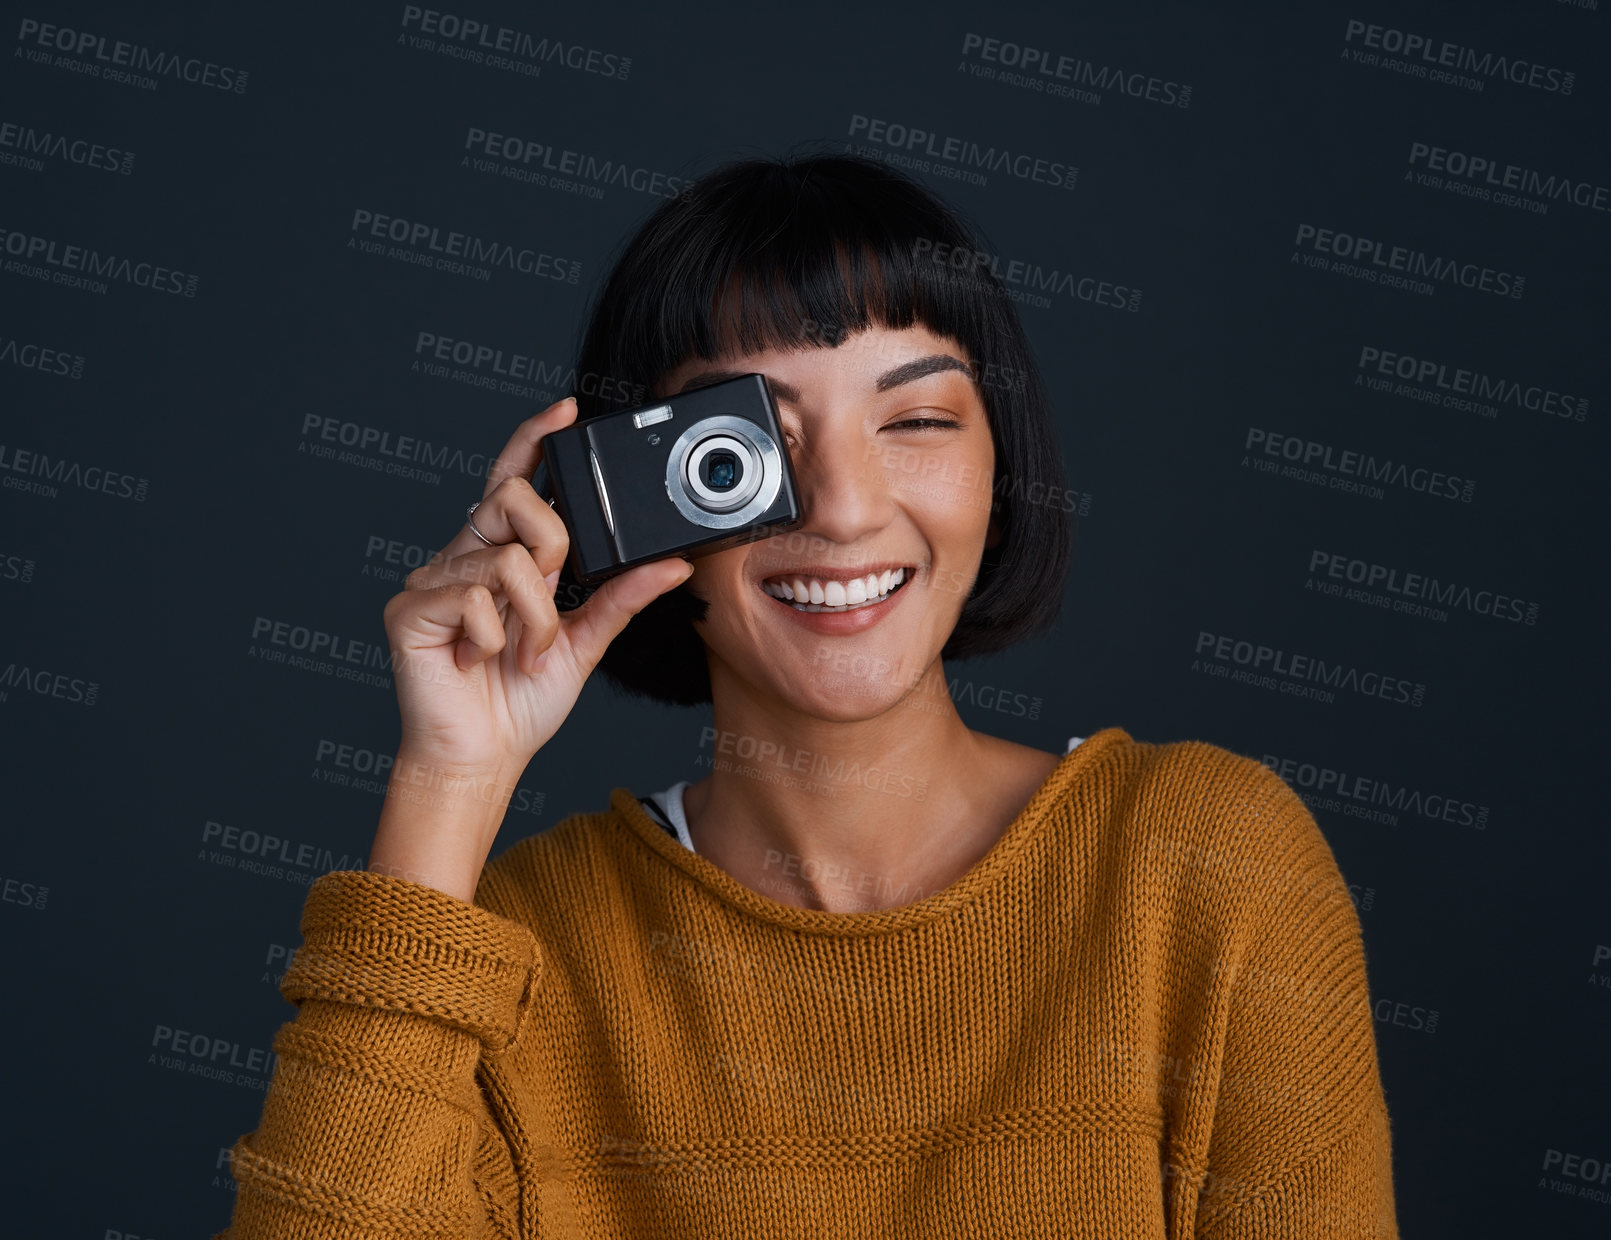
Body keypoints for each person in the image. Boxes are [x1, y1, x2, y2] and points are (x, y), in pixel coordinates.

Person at [217, 153, 1400, 1237]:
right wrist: (448, 783)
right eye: (743, 452)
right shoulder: (518, 956)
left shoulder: (1208, 868)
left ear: (1005, 462)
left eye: (920, 418)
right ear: (624, 498)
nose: (842, 506)